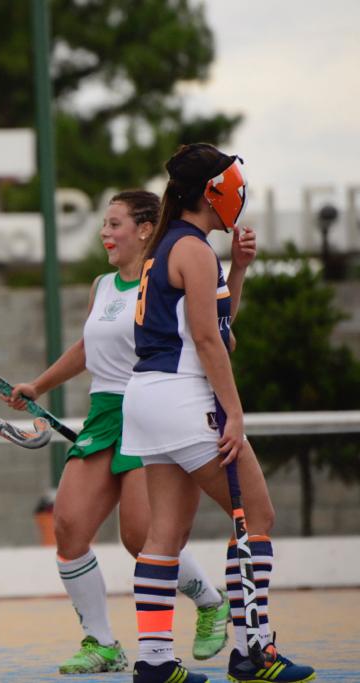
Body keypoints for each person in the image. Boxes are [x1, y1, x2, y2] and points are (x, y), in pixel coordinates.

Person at [5, 192, 231, 674]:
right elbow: (87, 348)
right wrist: (38, 385)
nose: (105, 233)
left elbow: (215, 331)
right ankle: (103, 643)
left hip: (151, 408)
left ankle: (211, 601)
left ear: (146, 229)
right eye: (104, 224)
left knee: (140, 537)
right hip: (104, 412)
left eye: (114, 224)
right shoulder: (103, 285)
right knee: (68, 527)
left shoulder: (166, 278)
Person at [122, 143, 316, 683]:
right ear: (212, 191)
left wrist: (240, 269)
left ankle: (155, 661)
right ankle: (254, 651)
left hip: (148, 397)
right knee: (257, 517)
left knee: (164, 534)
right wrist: (234, 412)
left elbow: (218, 327)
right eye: (232, 184)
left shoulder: (170, 245)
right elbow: (209, 341)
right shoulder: (193, 249)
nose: (239, 193)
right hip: (185, 397)